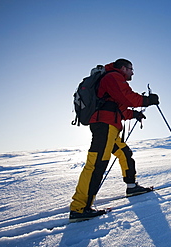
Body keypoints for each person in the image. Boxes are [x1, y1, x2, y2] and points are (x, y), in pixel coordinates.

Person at [69, 58, 159, 222]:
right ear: (123, 68)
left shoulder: (113, 81)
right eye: (131, 69)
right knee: (96, 163)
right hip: (104, 127)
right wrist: (148, 100)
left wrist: (136, 114)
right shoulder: (113, 77)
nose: (132, 72)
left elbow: (121, 108)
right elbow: (128, 97)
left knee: (125, 153)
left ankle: (131, 186)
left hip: (111, 127)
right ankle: (79, 208)